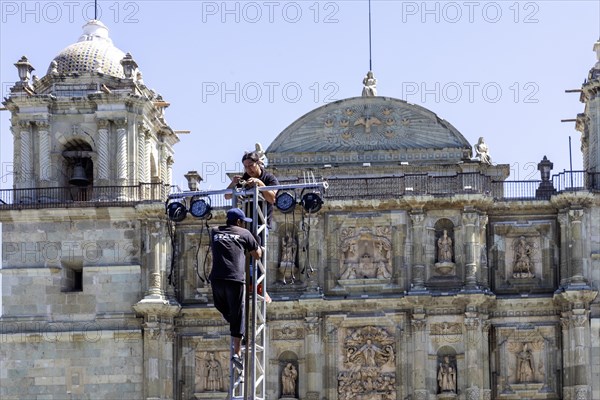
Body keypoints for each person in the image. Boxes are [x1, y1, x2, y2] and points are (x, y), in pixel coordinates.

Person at [209, 208, 262, 372]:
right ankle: (237, 353)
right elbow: (257, 255)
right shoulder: (244, 233)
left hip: (216, 279)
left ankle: (239, 334)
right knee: (238, 316)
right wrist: (257, 244)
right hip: (235, 279)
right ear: (239, 222)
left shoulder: (214, 232)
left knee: (223, 308)